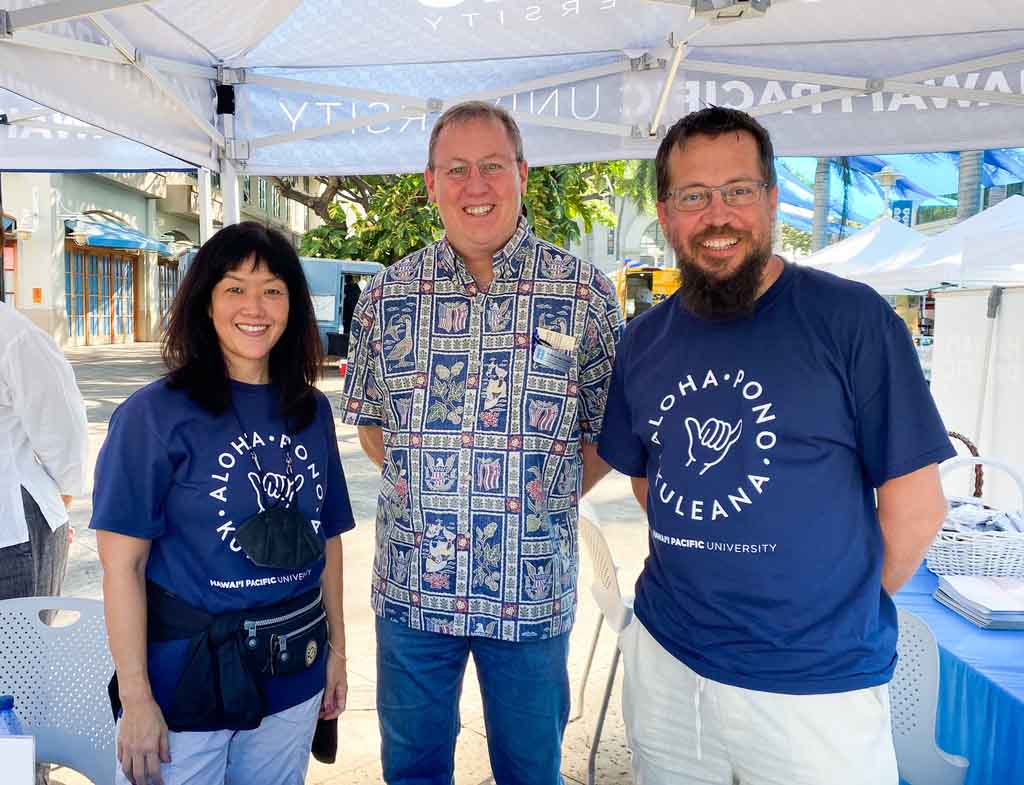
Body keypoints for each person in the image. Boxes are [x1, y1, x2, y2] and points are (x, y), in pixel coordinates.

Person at [597, 107, 954, 785]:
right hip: (671, 666)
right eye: (693, 197)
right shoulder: (643, 342)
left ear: (771, 199)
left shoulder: (852, 320)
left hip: (814, 692)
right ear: (666, 214)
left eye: (738, 190)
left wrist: (828, 611)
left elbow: (916, 508)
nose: (718, 214)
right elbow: (651, 481)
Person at [339, 101, 622, 785]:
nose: (476, 185)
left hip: (530, 592)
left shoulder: (584, 294)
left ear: (522, 174)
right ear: (430, 183)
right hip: (414, 592)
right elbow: (376, 427)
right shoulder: (386, 297)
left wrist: (534, 494)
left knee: (531, 772)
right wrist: (435, 484)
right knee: (411, 771)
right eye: (456, 169)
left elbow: (607, 431)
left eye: (492, 166)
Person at [91, 222, 355, 785]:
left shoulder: (310, 411)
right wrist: (135, 697)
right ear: (205, 303)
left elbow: (327, 538)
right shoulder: (152, 417)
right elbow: (123, 566)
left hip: (293, 672)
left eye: (272, 289)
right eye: (234, 287)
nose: (254, 306)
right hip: (184, 682)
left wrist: (338, 650)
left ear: (293, 306)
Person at [0, 298, 88, 785]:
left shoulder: (11, 335)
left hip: (12, 533)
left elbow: (65, 435)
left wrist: (58, 502)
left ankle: (21, 778)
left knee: (14, 683)